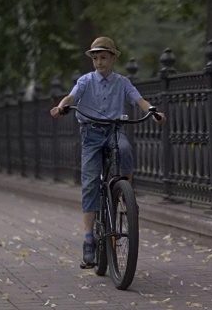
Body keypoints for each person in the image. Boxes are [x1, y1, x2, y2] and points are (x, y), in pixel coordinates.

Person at [50, 36, 166, 267]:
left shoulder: (122, 82)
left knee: (125, 149)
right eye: (95, 58)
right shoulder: (85, 81)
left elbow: (138, 99)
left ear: (113, 58)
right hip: (91, 134)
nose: (99, 62)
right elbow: (72, 96)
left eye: (103, 57)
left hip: (114, 131)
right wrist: (62, 106)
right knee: (91, 182)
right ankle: (88, 240)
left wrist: (153, 111)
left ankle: (126, 195)